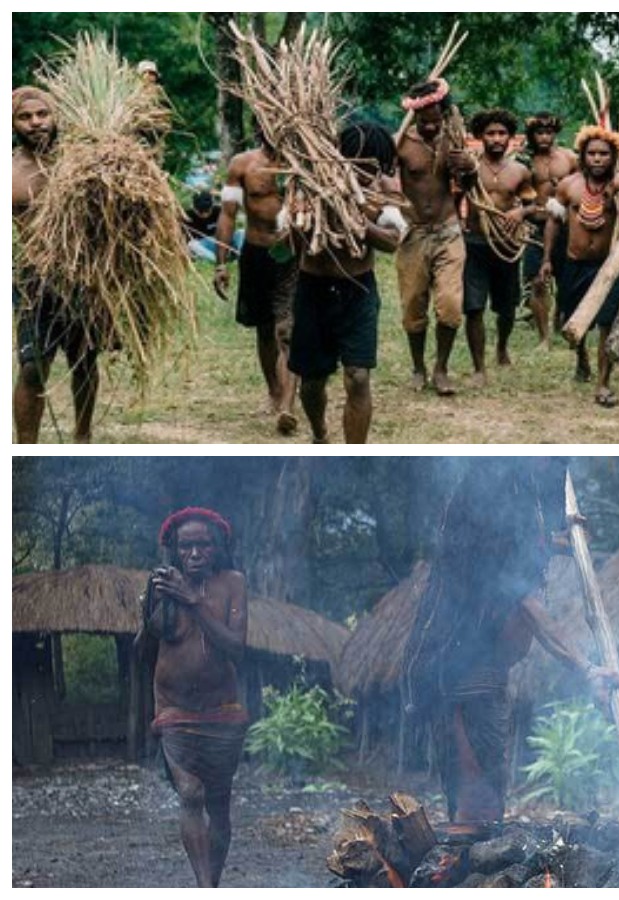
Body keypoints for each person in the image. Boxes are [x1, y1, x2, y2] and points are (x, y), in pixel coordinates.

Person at [403, 460, 619, 828]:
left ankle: (469, 865)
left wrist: (562, 542)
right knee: (477, 804)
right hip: (462, 677)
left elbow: (520, 548)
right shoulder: (496, 498)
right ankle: (461, 877)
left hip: (481, 673)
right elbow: (527, 603)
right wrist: (586, 669)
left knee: (485, 800)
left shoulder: (509, 497)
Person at [134, 507, 249, 888]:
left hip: (223, 712)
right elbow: (145, 650)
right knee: (190, 792)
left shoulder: (233, 584)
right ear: (174, 550)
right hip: (175, 711)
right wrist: (152, 609)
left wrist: (194, 602)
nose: (196, 554)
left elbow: (236, 648)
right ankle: (204, 887)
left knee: (218, 803)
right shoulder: (161, 585)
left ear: (218, 548)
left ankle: (210, 884)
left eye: (204, 545)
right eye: (187, 546)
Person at [288, 122, 404, 443]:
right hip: (313, 289)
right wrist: (307, 218)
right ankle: (320, 436)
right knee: (311, 381)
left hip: (358, 290)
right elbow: (288, 244)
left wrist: (362, 224)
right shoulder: (310, 182)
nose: (365, 172)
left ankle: (355, 453)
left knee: (358, 377)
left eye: (373, 165)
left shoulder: (384, 190)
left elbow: (393, 241)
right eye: (358, 163)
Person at [12, 86, 101, 444]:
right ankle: (26, 449)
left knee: (84, 362)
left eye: (42, 114)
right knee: (32, 367)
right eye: (25, 117)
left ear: (55, 116)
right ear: (13, 124)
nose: (35, 123)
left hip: (84, 276)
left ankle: (83, 437)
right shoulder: (10, 172)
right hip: (33, 280)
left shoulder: (82, 162)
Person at [539, 126, 619, 408]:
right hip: (575, 264)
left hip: (609, 267)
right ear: (582, 155)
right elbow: (553, 221)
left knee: (607, 323)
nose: (597, 159)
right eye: (591, 153)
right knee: (575, 320)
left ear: (613, 156)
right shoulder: (568, 185)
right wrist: (546, 259)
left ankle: (603, 383)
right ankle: (581, 358)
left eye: (604, 154)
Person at [214, 127, 300, 436]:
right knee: (265, 330)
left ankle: (289, 405)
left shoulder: (304, 161)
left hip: (292, 255)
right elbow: (227, 214)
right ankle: (275, 391)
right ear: (259, 128)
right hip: (256, 254)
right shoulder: (242, 165)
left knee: (286, 330)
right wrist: (221, 263)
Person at [395, 79, 476, 396]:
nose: (430, 127)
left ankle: (441, 368)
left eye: (435, 121)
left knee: (450, 305)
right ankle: (418, 367)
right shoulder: (400, 143)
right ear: (414, 118)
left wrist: (467, 169)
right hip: (412, 233)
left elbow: (467, 187)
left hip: (448, 230)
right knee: (413, 305)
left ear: (444, 115)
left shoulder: (453, 142)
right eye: (424, 122)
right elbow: (386, 181)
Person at [463, 108, 534, 385]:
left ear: (510, 138)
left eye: (501, 133)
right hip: (474, 243)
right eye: (490, 133)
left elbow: (531, 204)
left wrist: (520, 214)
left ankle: (502, 347)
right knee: (474, 307)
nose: (496, 138)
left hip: (507, 245)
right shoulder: (470, 167)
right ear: (480, 136)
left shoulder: (519, 171)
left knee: (507, 308)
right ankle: (479, 368)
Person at [523, 113, 577, 348]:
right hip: (536, 226)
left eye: (548, 132)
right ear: (532, 135)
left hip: (565, 227)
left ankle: (560, 320)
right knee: (536, 282)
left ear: (555, 133)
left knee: (567, 281)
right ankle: (544, 337)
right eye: (539, 133)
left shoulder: (569, 158)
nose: (544, 137)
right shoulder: (524, 160)